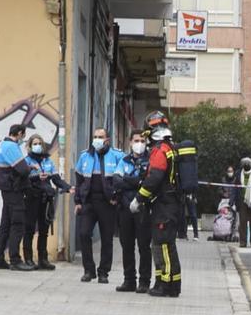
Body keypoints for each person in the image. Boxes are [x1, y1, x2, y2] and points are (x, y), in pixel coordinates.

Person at [131, 111, 182, 297]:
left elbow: (154, 178)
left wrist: (139, 198)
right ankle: (164, 282)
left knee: (164, 245)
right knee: (161, 244)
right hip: (168, 203)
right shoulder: (171, 147)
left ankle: (166, 285)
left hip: (165, 204)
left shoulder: (161, 150)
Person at [74, 127, 124, 282]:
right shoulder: (84, 156)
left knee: (107, 239)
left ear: (107, 139)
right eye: (95, 136)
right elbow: (79, 181)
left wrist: (117, 197)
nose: (97, 139)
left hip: (107, 202)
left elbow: (123, 179)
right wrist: (78, 201)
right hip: (89, 201)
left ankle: (103, 272)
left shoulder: (117, 155)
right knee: (83, 234)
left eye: (100, 137)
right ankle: (89, 270)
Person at [21, 133, 71, 269]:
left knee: (44, 229)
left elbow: (56, 178)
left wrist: (68, 187)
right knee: (29, 229)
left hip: (45, 199)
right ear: (30, 146)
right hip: (31, 198)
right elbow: (23, 180)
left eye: (39, 144)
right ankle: (29, 259)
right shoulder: (26, 161)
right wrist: (37, 177)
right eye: (34, 144)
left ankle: (43, 260)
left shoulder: (47, 161)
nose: (37, 146)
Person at [114, 130, 153, 293]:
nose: (139, 144)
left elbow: (149, 182)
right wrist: (137, 181)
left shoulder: (150, 160)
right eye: (136, 140)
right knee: (127, 245)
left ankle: (144, 282)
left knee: (144, 246)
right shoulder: (124, 160)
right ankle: (129, 280)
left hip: (143, 208)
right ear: (130, 142)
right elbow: (116, 181)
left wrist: (128, 181)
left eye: (142, 140)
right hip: (125, 208)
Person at [0, 123, 34, 271]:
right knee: (18, 224)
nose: (23, 138)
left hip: (6, 189)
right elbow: (22, 169)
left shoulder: (1, 145)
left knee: (5, 224)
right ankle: (15, 260)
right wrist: (30, 168)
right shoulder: (11, 147)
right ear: (20, 133)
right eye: (23, 135)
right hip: (13, 189)